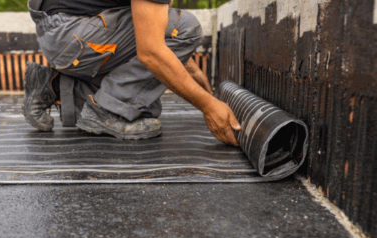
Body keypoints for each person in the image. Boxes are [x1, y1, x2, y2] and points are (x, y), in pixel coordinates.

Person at [24, 0, 241, 144]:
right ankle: (105, 111)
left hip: (61, 33)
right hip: (74, 35)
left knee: (143, 105)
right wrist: (208, 106)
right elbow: (151, 52)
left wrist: (186, 64)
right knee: (186, 27)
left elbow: (148, 21)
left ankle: (53, 86)